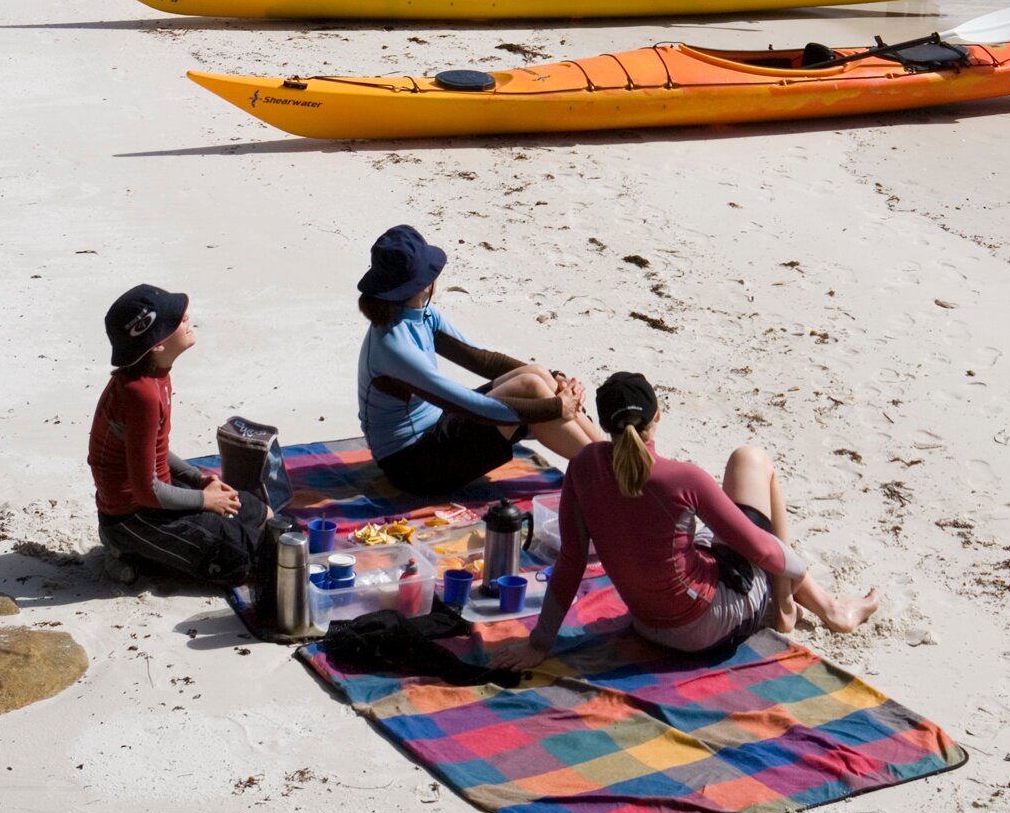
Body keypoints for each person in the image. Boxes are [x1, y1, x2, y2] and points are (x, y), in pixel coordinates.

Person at [525, 371, 879, 660]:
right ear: (657, 416)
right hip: (710, 628)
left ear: (603, 425)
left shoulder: (584, 466)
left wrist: (540, 643)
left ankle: (792, 602)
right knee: (751, 461)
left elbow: (571, 560)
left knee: (707, 539)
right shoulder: (683, 478)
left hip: (648, 625)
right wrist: (798, 568)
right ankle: (820, 607)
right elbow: (762, 550)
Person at [357, 224, 599, 502]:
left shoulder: (418, 312)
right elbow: (469, 406)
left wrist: (556, 379)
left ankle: (614, 459)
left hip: (435, 432)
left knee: (536, 375)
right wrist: (557, 406)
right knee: (532, 387)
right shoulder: (393, 347)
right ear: (423, 283)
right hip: (413, 467)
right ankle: (612, 474)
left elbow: (481, 359)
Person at [89, 285, 273, 584]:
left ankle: (148, 548)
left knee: (260, 514)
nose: (188, 318)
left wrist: (195, 478)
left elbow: (155, 450)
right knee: (247, 561)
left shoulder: (156, 375)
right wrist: (203, 500)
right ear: (157, 345)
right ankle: (126, 548)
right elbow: (146, 491)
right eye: (179, 320)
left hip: (158, 491)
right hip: (133, 516)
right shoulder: (141, 394)